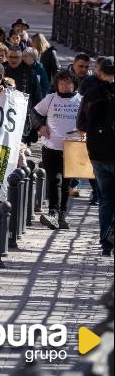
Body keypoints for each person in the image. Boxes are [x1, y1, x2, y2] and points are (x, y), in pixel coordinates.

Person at [32, 70, 83, 230]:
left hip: (73, 147)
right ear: (57, 85)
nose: (65, 86)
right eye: (61, 83)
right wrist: (40, 127)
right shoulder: (51, 98)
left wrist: (85, 129)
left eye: (68, 83)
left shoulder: (81, 100)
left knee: (67, 183)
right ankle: (53, 213)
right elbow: (34, 113)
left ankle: (61, 215)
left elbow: (90, 118)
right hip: (51, 146)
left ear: (74, 84)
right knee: (54, 181)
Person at [75, 56, 115, 257]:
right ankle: (112, 234)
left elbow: (81, 124)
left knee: (106, 199)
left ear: (99, 72)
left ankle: (105, 244)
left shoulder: (90, 94)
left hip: (98, 154)